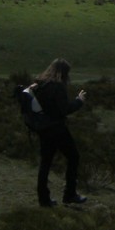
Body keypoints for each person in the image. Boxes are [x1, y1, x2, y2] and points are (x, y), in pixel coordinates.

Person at [29, 58, 87, 207]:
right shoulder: (58, 87)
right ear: (63, 73)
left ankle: (44, 199)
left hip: (43, 129)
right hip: (57, 129)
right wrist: (79, 101)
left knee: (45, 163)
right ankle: (70, 194)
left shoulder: (39, 85)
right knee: (73, 157)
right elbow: (64, 109)